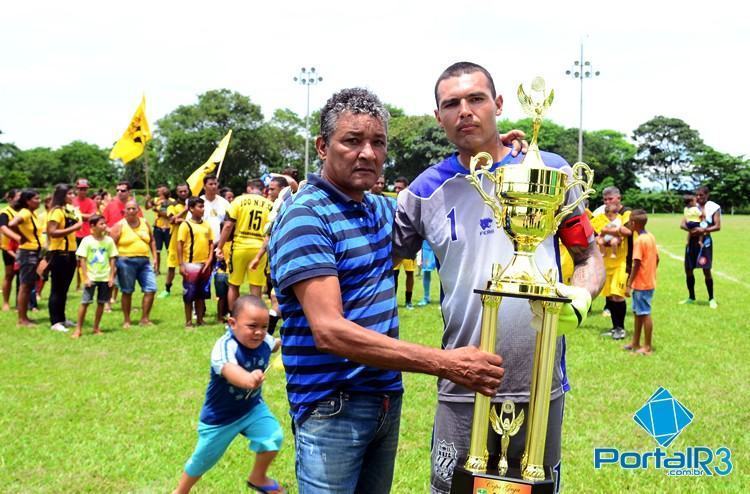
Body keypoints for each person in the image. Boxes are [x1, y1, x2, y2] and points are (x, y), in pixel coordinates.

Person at [269, 87, 505, 493]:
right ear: (323, 147)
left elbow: (439, 191)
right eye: (352, 140)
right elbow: (329, 331)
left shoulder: (379, 210)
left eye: (377, 142)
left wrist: (497, 148)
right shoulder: (306, 217)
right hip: (333, 406)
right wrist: (445, 363)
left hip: (383, 398)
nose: (367, 153)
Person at [392, 62, 604, 494]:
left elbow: (589, 254)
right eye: (451, 104)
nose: (464, 111)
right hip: (462, 377)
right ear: (439, 117)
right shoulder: (423, 191)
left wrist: (581, 296)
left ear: (499, 105)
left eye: (476, 99)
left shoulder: (548, 172)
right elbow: (381, 258)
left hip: (540, 379)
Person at [172, 295, 285, 494]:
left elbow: (273, 344)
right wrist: (248, 379)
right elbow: (228, 369)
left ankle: (258, 477)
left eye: (264, 326)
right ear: (232, 323)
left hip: (252, 408)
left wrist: (284, 342)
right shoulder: (225, 346)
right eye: (252, 326)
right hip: (220, 417)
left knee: (272, 436)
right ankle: (181, 491)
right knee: (203, 459)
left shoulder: (264, 339)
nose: (259, 332)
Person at [217, 180, 272, 310]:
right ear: (263, 189)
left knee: (234, 285)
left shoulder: (238, 201)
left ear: (249, 188)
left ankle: (233, 318)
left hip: (239, 248)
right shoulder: (270, 205)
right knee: (256, 286)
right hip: (259, 250)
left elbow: (228, 225)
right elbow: (271, 232)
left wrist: (219, 247)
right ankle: (255, 318)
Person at [593, 186, 633, 340]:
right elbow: (595, 233)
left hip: (622, 261)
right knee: (609, 296)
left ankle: (621, 328)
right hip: (605, 262)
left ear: (618, 198)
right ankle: (614, 327)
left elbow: (626, 231)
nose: (607, 202)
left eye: (610, 199)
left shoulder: (626, 213)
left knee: (618, 295)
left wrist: (605, 231)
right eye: (605, 199)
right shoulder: (601, 215)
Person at [110, 200, 158, 328]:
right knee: (127, 291)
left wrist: (155, 258)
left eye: (134, 209)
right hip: (125, 262)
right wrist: (113, 265)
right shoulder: (119, 226)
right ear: (124, 211)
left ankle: (145, 319)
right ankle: (127, 320)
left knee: (151, 289)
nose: (131, 211)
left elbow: (152, 240)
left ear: (138, 210)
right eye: (128, 209)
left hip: (145, 262)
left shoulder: (145, 222)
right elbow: (111, 246)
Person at [45, 184, 83, 332]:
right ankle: (55, 321)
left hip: (70, 253)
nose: (73, 196)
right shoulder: (56, 212)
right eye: (70, 194)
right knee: (57, 289)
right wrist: (75, 227)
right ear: (62, 195)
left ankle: (62, 318)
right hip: (59, 254)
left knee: (64, 289)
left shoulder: (67, 210)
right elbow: (52, 232)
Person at [73, 215, 118, 338]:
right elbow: (82, 260)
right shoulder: (86, 241)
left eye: (105, 224)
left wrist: (111, 276)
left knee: (101, 303)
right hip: (91, 277)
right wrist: (85, 277)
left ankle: (96, 327)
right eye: (101, 224)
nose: (104, 226)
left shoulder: (109, 241)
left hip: (104, 277)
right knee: (85, 302)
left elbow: (112, 258)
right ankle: (78, 329)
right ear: (92, 226)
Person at [624, 210, 659, 355]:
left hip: (641, 284)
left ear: (633, 223)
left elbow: (636, 264)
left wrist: (628, 284)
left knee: (645, 313)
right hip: (648, 281)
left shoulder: (639, 241)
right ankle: (635, 342)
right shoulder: (650, 237)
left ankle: (647, 346)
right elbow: (657, 258)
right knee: (638, 313)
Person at [680, 185, 721, 308]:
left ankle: (711, 298)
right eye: (697, 195)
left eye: (701, 195)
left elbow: (718, 226)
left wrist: (703, 230)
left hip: (704, 243)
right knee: (688, 269)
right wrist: (691, 230)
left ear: (707, 195)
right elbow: (682, 224)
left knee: (706, 270)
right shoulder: (692, 206)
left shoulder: (714, 207)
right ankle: (691, 297)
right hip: (691, 242)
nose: (698, 197)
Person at [8, 189, 44, 326]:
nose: (39, 201)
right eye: (36, 198)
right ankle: (21, 319)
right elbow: (12, 224)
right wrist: (21, 236)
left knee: (29, 285)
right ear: (27, 201)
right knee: (25, 286)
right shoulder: (25, 213)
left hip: (34, 251)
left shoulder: (32, 214)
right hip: (27, 253)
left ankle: (24, 317)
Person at [177, 197, 214, 327]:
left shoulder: (206, 225)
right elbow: (180, 245)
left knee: (201, 294)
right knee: (189, 294)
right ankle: (188, 321)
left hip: (204, 264)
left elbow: (210, 243)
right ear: (191, 209)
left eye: (203, 206)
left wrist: (209, 260)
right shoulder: (185, 225)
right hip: (190, 264)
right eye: (199, 207)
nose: (202, 209)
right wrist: (181, 264)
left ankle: (200, 319)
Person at [160, 183, 191, 299]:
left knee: (188, 267)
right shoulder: (172, 205)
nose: (183, 193)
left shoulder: (193, 203)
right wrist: (185, 211)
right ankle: (167, 289)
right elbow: (172, 220)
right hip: (175, 241)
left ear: (188, 191)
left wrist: (182, 219)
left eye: (185, 191)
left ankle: (187, 288)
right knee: (171, 267)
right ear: (177, 193)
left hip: (189, 241)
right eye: (180, 191)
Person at [72, 179, 97, 290]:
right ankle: (77, 284)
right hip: (73, 234)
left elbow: (92, 216)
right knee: (75, 262)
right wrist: (84, 216)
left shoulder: (91, 202)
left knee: (85, 260)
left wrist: (77, 214)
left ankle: (85, 281)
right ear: (76, 189)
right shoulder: (72, 201)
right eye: (80, 189)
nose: (83, 191)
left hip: (86, 234)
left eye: (85, 189)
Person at [0, 189, 21, 311]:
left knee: (22, 277)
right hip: (9, 248)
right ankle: (6, 302)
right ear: (10, 199)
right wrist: (18, 238)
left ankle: (20, 303)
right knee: (9, 275)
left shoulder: (23, 211)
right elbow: (3, 228)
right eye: (17, 197)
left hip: (23, 248)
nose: (20, 199)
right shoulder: (5, 212)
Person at [146, 184, 174, 275]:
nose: (157, 192)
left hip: (169, 228)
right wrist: (147, 199)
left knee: (169, 251)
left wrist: (157, 211)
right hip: (158, 228)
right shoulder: (156, 200)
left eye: (159, 191)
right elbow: (147, 207)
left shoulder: (171, 202)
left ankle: (171, 268)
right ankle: (156, 269)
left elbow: (168, 215)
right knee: (157, 250)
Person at [417, 240, 436, 306]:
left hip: (440, 243)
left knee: (443, 272)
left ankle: (445, 298)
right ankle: (426, 297)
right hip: (426, 246)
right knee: (426, 272)